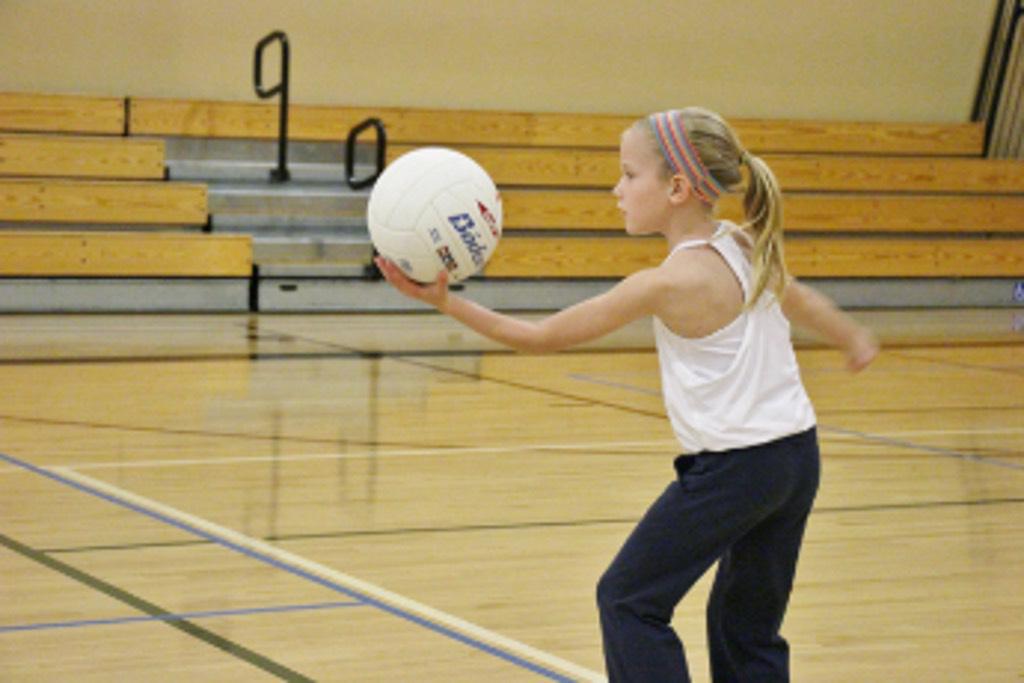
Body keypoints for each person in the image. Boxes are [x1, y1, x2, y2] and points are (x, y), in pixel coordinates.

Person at [376, 107, 879, 682]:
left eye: (629, 174)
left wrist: (445, 302)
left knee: (628, 599)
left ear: (677, 188)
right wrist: (852, 338)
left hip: (735, 471)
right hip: (796, 457)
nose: (616, 189)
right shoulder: (742, 243)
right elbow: (803, 301)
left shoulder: (666, 283)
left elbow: (540, 337)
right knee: (747, 628)